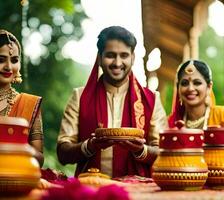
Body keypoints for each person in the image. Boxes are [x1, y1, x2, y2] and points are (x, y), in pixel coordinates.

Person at [57, 26, 167, 177]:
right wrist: (90, 146)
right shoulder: (79, 97)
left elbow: (165, 152)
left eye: (124, 55)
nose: (117, 62)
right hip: (91, 191)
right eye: (110, 55)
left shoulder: (152, 100)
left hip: (137, 193)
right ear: (100, 58)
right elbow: (63, 154)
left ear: (133, 58)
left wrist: (141, 150)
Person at [0, 29, 44, 166]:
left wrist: (15, 149)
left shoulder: (28, 103)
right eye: (1, 60)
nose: (8, 67)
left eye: (14, 60)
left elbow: (39, 159)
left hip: (16, 178)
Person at [168, 59, 224, 129]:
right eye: (184, 83)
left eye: (197, 83)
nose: (190, 88)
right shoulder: (170, 123)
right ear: (178, 88)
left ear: (209, 87)